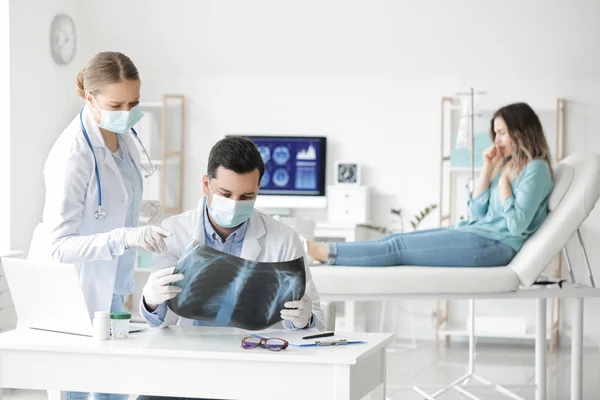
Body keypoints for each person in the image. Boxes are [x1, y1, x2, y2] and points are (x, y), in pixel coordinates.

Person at [27, 52, 171, 399]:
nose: (127, 113)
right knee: (77, 386)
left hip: (114, 285)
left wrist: (137, 210)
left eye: (133, 103)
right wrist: (125, 235)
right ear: (90, 97)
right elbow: (59, 246)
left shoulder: (122, 134)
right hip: (77, 291)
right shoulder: (73, 154)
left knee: (116, 384)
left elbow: (104, 206)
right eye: (116, 104)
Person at [308, 102, 554, 267]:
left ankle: (327, 252)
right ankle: (327, 251)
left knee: (398, 247)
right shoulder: (507, 165)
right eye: (496, 133)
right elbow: (476, 213)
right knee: (394, 240)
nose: (497, 140)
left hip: (496, 246)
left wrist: (503, 185)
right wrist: (488, 171)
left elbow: (516, 225)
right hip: (476, 232)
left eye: (502, 133)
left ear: (521, 132)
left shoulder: (536, 169)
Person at [138, 136, 324, 336]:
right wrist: (151, 301)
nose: (235, 203)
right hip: (192, 351)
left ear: (258, 189)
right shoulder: (173, 231)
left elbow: (314, 322)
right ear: (205, 184)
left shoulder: (284, 239)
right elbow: (161, 322)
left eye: (247, 196)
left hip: (258, 352)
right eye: (225, 194)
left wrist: (305, 319)